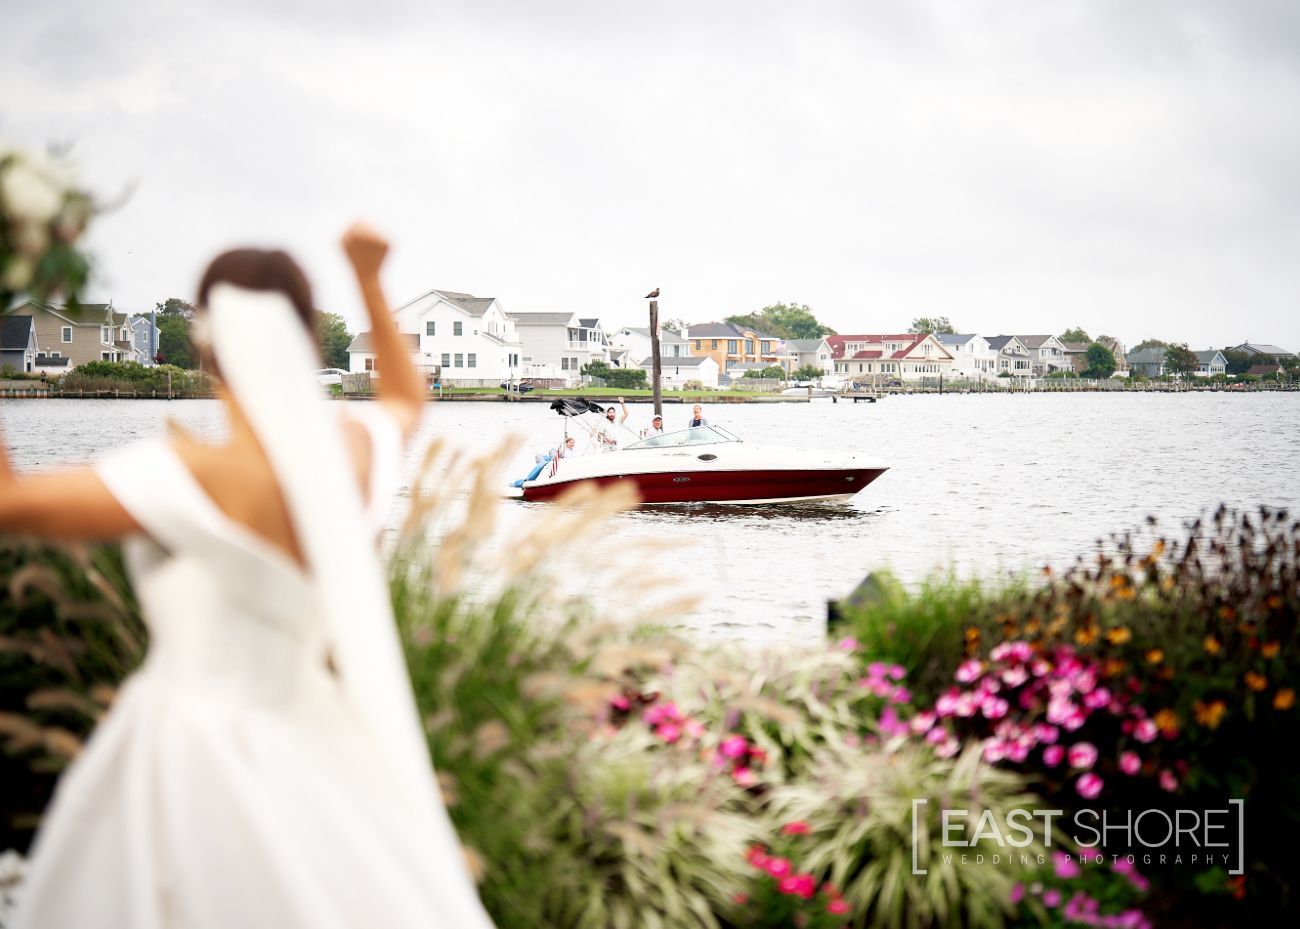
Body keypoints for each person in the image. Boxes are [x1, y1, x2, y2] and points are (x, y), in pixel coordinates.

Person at [0, 224, 496, 929]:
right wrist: (369, 279)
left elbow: (9, 502)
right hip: (321, 748)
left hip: (182, 760)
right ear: (303, 335)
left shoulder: (184, 474)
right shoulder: (353, 456)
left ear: (206, 344)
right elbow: (407, 402)